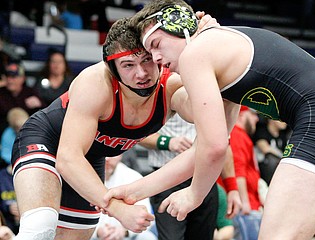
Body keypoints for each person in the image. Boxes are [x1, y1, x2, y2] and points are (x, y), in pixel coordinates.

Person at [103, 0, 315, 240]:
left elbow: (214, 148)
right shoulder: (219, 53)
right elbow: (204, 149)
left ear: (179, 25)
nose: (155, 59)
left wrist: (194, 195)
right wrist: (133, 191)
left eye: (155, 44)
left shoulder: (196, 53)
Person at [11, 14, 218, 240]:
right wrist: (117, 209)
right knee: (40, 227)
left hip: (92, 156)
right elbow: (68, 158)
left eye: (146, 60)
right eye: (128, 65)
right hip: (47, 140)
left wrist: (207, 47)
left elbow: (211, 107)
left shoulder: (171, 87)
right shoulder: (96, 82)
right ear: (113, 69)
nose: (141, 74)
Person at [139, 113, 241, 240]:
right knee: (172, 238)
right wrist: (167, 142)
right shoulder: (163, 94)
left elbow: (223, 145)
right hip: (168, 178)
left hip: (205, 179)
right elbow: (136, 134)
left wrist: (232, 188)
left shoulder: (216, 97)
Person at [91, 155, 157, 240]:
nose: (107, 159)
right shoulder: (83, 176)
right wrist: (97, 232)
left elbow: (146, 217)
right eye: (104, 155)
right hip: (93, 234)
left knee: (147, 237)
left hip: (125, 235)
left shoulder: (133, 176)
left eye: (111, 154)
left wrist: (124, 231)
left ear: (121, 154)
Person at [230, 106, 263, 240]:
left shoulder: (241, 135)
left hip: (249, 204)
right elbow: (238, 171)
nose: (256, 119)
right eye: (253, 114)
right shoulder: (237, 135)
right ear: (242, 115)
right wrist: (245, 202)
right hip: (245, 207)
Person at [0, 62, 45, 135]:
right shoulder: (1, 92)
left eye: (14, 77)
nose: (10, 80)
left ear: (23, 78)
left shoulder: (30, 92)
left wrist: (39, 104)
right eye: (8, 76)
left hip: (26, 132)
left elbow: (43, 112)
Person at [253, 117, 290, 185]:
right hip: (261, 171)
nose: (285, 122)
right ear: (271, 119)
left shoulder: (283, 135)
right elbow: (265, 149)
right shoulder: (262, 130)